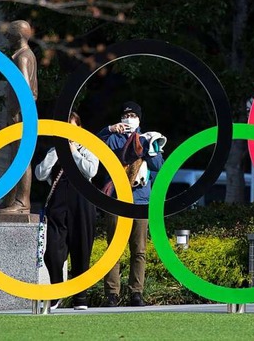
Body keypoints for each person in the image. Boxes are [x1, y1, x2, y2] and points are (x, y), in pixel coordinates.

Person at [98, 101, 165, 307]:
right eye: (126, 114)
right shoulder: (113, 139)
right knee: (114, 248)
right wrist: (109, 129)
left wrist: (147, 147)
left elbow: (158, 166)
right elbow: (93, 145)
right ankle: (112, 293)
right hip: (117, 198)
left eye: (133, 115)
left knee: (139, 250)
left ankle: (136, 292)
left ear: (139, 118)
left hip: (141, 199)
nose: (129, 118)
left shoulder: (148, 138)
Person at [34, 112, 99, 310]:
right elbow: (39, 174)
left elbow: (91, 170)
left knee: (81, 250)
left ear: (79, 129)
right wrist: (57, 152)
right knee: (52, 251)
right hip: (57, 205)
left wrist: (74, 152)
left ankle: (80, 298)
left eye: (72, 128)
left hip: (83, 205)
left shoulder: (87, 148)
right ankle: (56, 293)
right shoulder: (54, 151)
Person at [0, 20, 39, 214]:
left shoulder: (22, 57)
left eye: (9, 34)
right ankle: (10, 200)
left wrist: (14, 113)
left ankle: (21, 202)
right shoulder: (27, 55)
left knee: (21, 158)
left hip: (21, 115)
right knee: (16, 158)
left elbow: (23, 89)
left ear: (17, 36)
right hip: (24, 114)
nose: (6, 37)